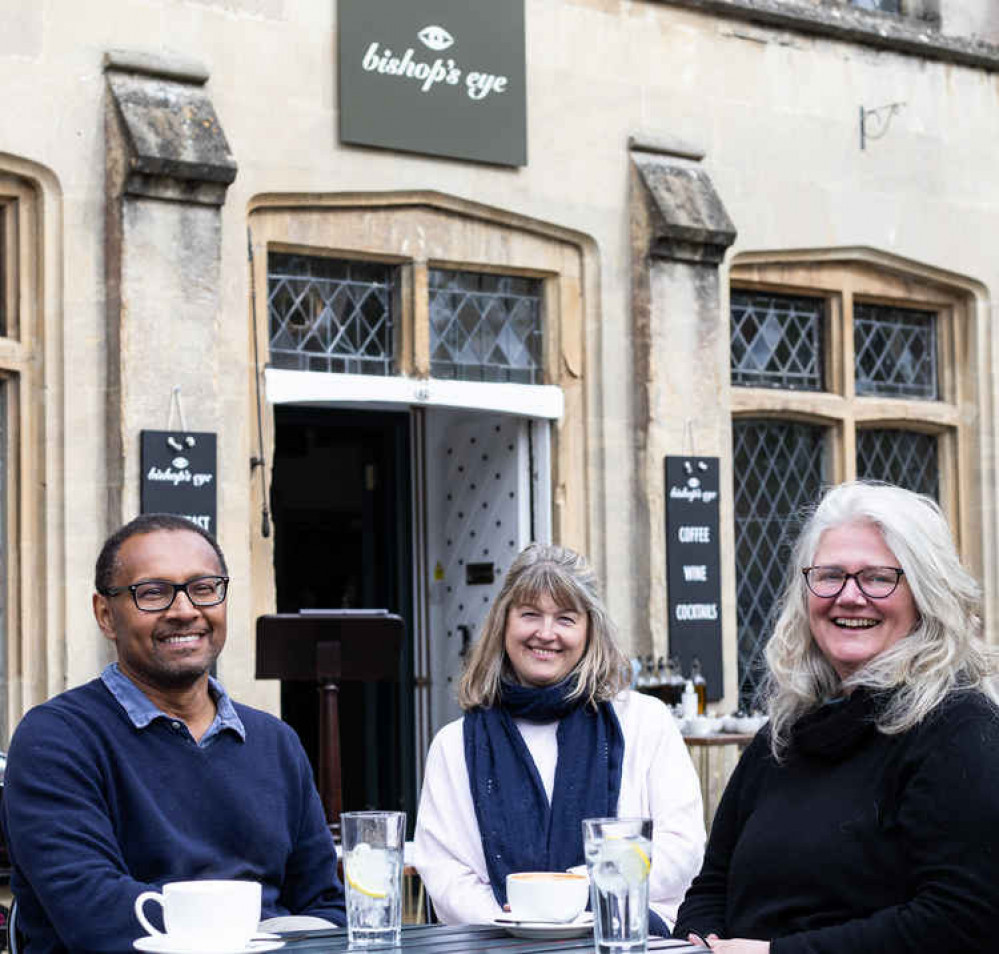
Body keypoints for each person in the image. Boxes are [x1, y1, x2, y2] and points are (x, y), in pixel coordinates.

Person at [673, 481, 999, 954]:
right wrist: (701, 942)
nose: (849, 596)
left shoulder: (961, 730)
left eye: (877, 577)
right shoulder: (782, 736)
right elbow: (711, 886)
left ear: (927, 594)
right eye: (829, 576)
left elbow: (962, 921)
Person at [1, 514, 346, 954]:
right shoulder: (57, 740)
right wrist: (256, 936)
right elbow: (96, 917)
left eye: (204, 588)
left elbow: (326, 911)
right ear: (105, 615)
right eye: (153, 593)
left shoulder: (275, 743)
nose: (185, 611)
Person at [413, 543, 705, 932]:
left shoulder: (645, 723)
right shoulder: (454, 745)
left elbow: (681, 848)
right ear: (504, 623)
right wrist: (519, 926)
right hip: (499, 944)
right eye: (530, 614)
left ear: (589, 630)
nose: (545, 634)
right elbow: (446, 872)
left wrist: (574, 893)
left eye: (565, 619)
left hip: (627, 939)